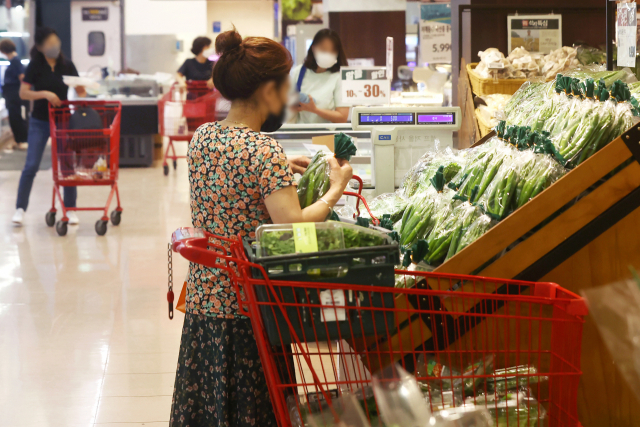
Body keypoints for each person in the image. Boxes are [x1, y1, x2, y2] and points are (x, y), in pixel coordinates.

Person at [170, 29, 353, 426]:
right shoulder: (262, 150)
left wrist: (279, 169)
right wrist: (335, 189)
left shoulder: (203, 137)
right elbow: (293, 225)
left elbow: (232, 177)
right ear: (268, 90)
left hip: (205, 297)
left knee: (212, 408)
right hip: (248, 305)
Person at [12, 27, 86, 226]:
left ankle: (70, 209)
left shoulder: (67, 65)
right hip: (39, 121)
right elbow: (23, 93)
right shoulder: (35, 66)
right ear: (40, 47)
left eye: (56, 41)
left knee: (67, 164)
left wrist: (84, 89)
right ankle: (20, 208)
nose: (55, 46)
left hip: (63, 120)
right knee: (31, 165)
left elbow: (81, 90)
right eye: (50, 43)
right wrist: (44, 94)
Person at [289, 29, 349, 124]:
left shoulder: (340, 77)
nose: (327, 54)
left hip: (327, 136)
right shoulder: (299, 72)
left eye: (332, 51)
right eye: (323, 49)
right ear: (313, 48)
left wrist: (314, 110)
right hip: (300, 133)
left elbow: (342, 117)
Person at [1, 39, 28, 150]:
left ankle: (22, 140)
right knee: (13, 117)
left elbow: (22, 77)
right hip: (11, 93)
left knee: (16, 117)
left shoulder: (16, 61)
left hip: (14, 94)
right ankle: (18, 140)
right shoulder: (13, 62)